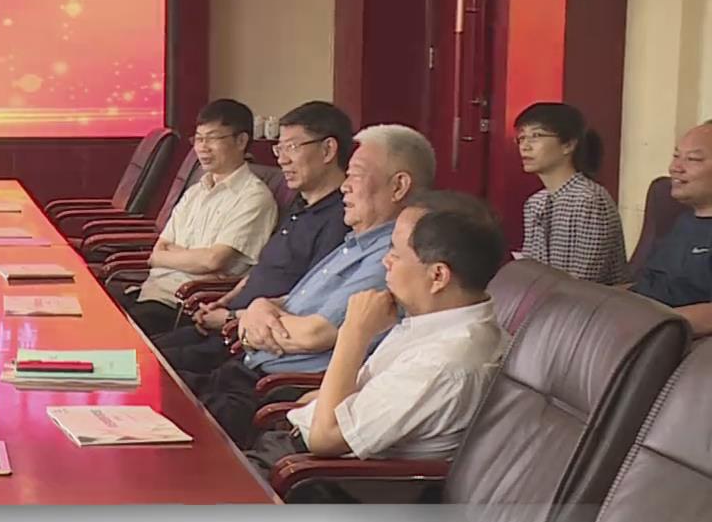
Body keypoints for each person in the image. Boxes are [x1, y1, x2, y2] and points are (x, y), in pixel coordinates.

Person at [186, 124, 436, 447]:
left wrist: (251, 320)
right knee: (142, 380)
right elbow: (293, 302)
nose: (344, 186)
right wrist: (258, 307)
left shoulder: (390, 258)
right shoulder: (355, 242)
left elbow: (315, 334)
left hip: (273, 390)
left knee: (158, 409)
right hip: (243, 369)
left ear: (398, 186)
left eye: (355, 175)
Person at [250, 191, 508, 468]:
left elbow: (325, 438)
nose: (386, 261)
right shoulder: (436, 319)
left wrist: (354, 332)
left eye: (395, 252)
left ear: (437, 276)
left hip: (315, 475)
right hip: (291, 446)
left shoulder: (443, 362)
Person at [151, 101, 353, 374]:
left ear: (328, 149)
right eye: (279, 148)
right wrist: (226, 300)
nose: (282, 159)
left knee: (148, 368)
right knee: (138, 351)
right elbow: (265, 268)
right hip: (225, 324)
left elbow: (310, 298)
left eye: (292, 147)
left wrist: (231, 316)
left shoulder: (342, 219)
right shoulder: (300, 205)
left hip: (250, 343)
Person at [109, 99, 277, 333]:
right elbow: (156, 254)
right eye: (199, 139)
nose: (203, 147)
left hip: (182, 306)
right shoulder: (196, 191)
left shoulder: (253, 197)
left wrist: (178, 255)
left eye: (213, 138)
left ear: (241, 141)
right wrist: (195, 258)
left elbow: (212, 261)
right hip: (148, 291)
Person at [515, 102, 630, 285]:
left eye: (536, 136)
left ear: (568, 145)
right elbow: (530, 268)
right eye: (521, 138)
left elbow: (583, 282)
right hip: (547, 296)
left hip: (589, 300)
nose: (525, 146)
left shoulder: (589, 200)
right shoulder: (535, 203)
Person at [630, 120, 712, 336]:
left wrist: (642, 323)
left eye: (693, 159)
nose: (675, 168)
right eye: (676, 156)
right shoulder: (683, 222)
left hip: (668, 340)